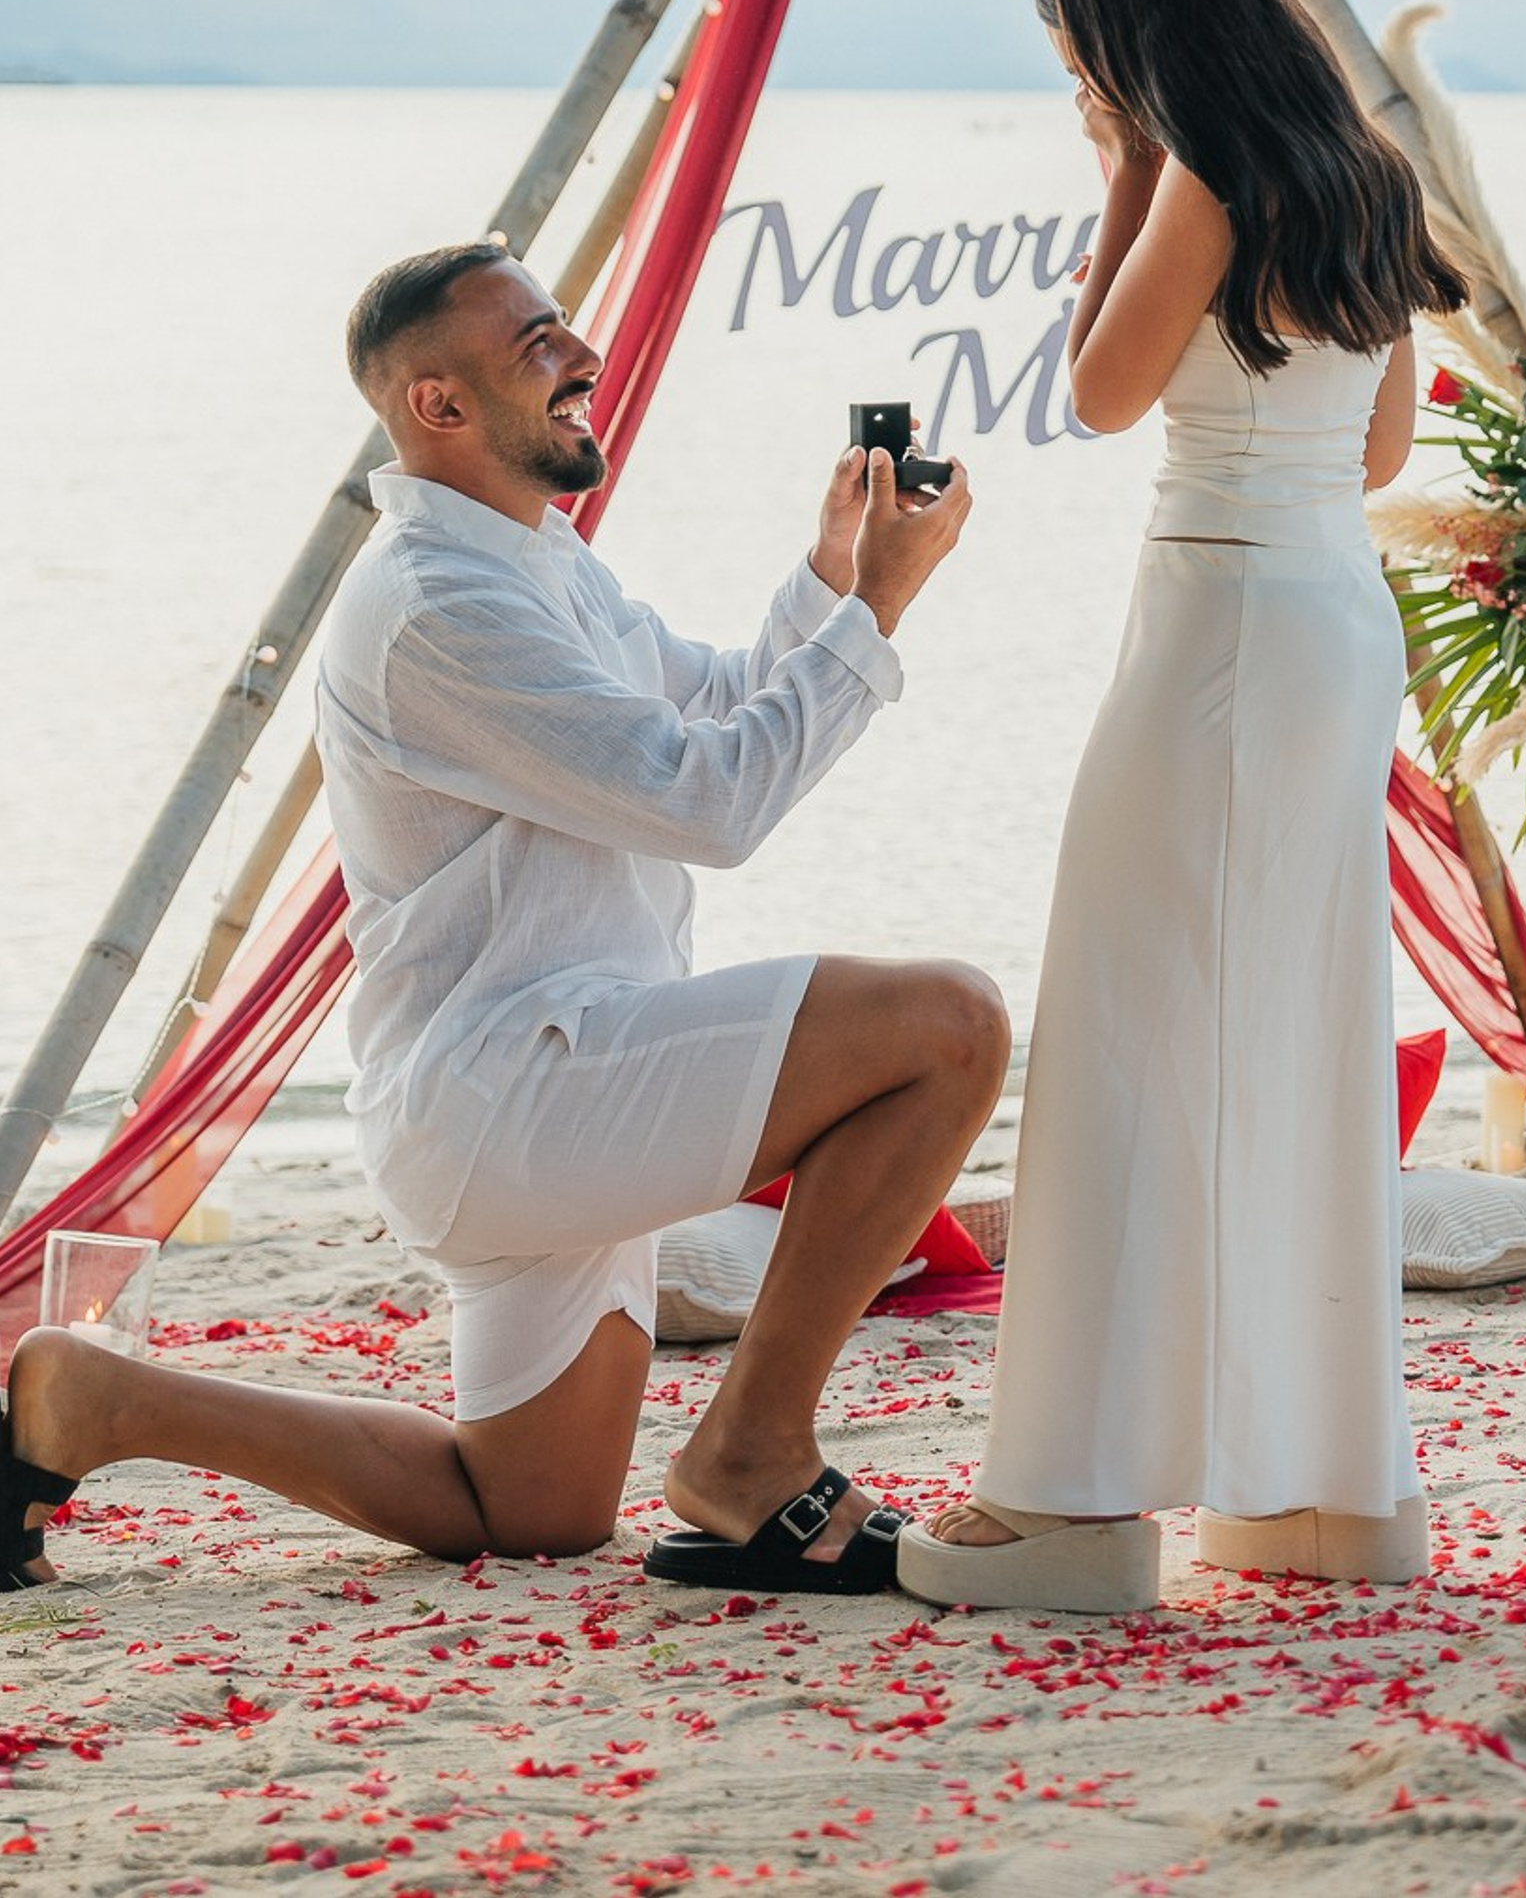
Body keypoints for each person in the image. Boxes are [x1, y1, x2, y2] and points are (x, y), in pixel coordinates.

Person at [4, 242, 1001, 1597]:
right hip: (518, 1090)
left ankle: (95, 1401)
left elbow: (704, 702)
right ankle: (756, 1452)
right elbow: (709, 803)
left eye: (563, 330)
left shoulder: (532, 557)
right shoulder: (436, 606)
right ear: (441, 407)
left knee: (530, 1505)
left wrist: (832, 573)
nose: (582, 357)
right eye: (537, 345)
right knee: (948, 1028)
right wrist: (878, 607)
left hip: (554, 1084)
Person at [898, 0, 1470, 1616]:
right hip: (1333, 618)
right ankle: (1322, 1493)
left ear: (1128, 40)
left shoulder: (1203, 176)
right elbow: (1377, 450)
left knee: (1129, 1037)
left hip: (1217, 624)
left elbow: (1097, 389)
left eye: (1076, 45)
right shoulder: (1367, 175)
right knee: (1296, 1035)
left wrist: (1121, 179)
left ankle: (1073, 1507)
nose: (1070, 73)